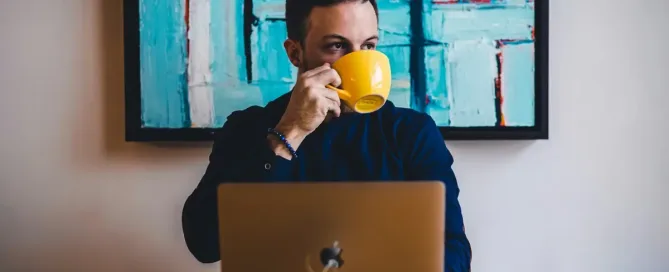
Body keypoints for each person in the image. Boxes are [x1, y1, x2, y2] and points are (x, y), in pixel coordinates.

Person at [181, 0, 472, 270]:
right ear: (295, 53)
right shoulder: (247, 129)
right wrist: (288, 134)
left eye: (368, 46)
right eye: (337, 46)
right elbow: (205, 244)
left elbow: (455, 253)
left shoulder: (410, 134)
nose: (359, 61)